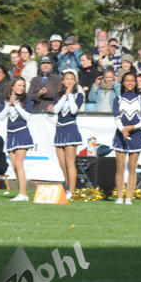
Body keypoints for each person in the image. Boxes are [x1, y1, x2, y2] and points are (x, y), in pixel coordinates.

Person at [113, 71, 141, 204]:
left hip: (136, 135)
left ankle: (128, 197)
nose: (130, 83)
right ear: (123, 83)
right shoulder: (118, 99)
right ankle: (119, 197)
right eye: (127, 80)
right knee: (120, 167)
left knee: (132, 168)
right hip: (120, 135)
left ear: (135, 83)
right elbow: (117, 118)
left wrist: (131, 128)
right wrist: (123, 129)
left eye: (132, 81)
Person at [0, 78, 34, 201]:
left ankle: (23, 194)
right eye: (19, 85)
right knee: (14, 166)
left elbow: (27, 116)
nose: (21, 88)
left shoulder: (26, 99)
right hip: (10, 135)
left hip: (22, 133)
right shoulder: (5, 99)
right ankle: (21, 192)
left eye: (23, 85)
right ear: (12, 86)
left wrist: (16, 105)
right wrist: (9, 104)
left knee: (19, 164)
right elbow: (1, 117)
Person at [53, 70, 84, 199]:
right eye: (67, 79)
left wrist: (69, 94)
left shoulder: (79, 95)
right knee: (62, 164)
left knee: (70, 162)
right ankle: (68, 187)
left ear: (75, 81)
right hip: (59, 130)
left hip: (71, 129)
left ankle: (71, 191)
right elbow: (56, 110)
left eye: (71, 79)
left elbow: (74, 110)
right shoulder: (58, 95)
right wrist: (65, 95)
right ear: (63, 81)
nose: (69, 81)